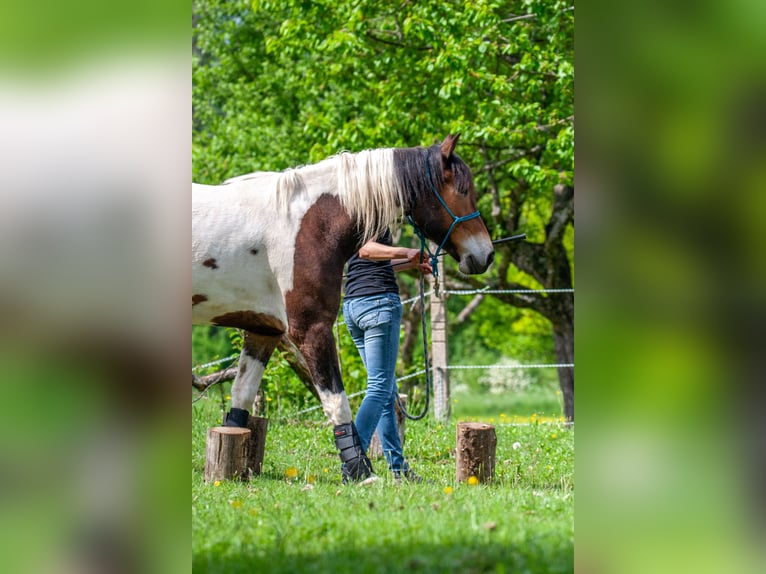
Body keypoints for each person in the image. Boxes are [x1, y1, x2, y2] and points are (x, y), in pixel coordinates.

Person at [342, 228, 432, 483]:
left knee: (386, 392)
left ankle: (398, 468)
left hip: (354, 306)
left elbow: (373, 261)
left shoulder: (354, 211)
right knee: (379, 389)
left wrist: (411, 262)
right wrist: (407, 251)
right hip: (378, 304)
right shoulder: (376, 210)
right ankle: (352, 463)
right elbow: (367, 250)